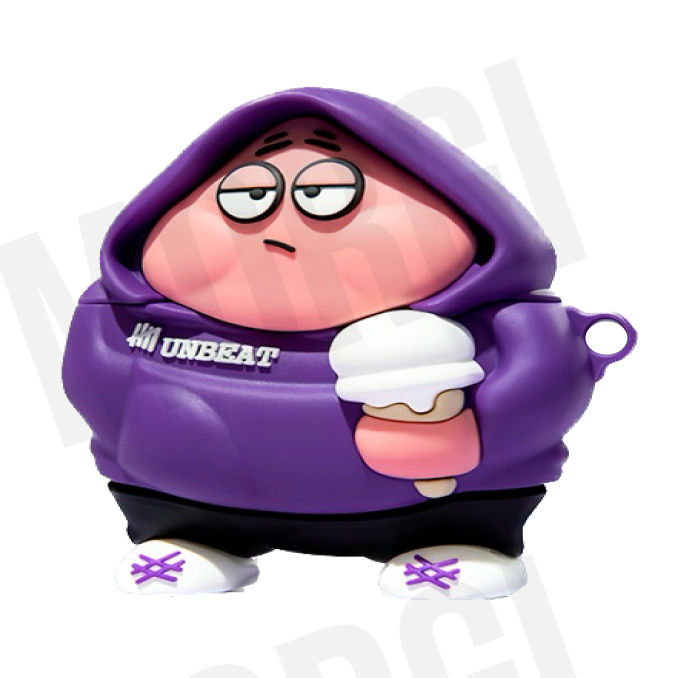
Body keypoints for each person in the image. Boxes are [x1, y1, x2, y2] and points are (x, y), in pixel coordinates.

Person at [62, 88, 635, 598]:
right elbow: (95, 385)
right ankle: (191, 540)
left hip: (437, 508)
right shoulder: (127, 316)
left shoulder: (503, 323)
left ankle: (459, 544)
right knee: (177, 501)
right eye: (248, 195)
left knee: (451, 509)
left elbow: (537, 397)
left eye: (326, 194)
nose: (278, 231)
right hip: (181, 501)